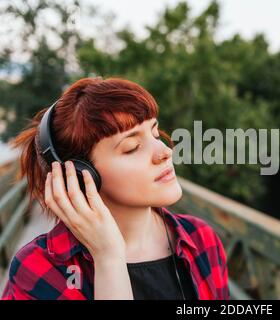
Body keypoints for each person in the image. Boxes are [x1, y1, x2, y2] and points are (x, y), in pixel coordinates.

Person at [1, 77, 230, 300]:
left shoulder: (200, 238)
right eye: (132, 147)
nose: (165, 152)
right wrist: (109, 258)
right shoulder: (39, 268)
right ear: (81, 175)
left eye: (154, 132)